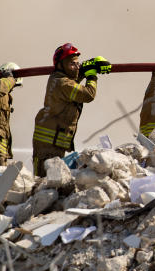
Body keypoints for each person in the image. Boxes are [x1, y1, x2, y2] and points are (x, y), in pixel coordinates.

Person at [32, 43, 109, 175]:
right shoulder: (63, 83)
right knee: (47, 181)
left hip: (53, 142)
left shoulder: (60, 79)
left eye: (77, 63)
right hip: (49, 144)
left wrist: (86, 66)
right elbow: (88, 94)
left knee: (53, 181)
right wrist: (91, 75)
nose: (77, 67)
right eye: (72, 64)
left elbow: (74, 80)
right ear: (61, 65)